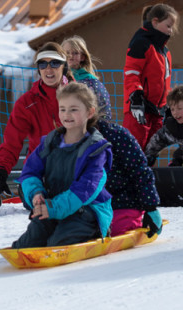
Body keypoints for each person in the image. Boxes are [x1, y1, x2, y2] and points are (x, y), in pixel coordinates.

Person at [11, 83, 113, 249]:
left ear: (90, 112)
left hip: (86, 211)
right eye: (62, 109)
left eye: (74, 109)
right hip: (53, 208)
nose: (67, 114)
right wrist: (36, 194)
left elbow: (86, 189)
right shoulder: (50, 143)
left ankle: (96, 232)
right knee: (26, 245)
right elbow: (30, 172)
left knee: (56, 245)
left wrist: (53, 207)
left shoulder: (96, 149)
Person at [0, 42, 70, 210]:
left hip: (73, 167)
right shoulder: (27, 103)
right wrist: (0, 174)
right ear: (38, 69)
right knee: (40, 196)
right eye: (43, 63)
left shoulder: (79, 96)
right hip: (40, 171)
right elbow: (11, 142)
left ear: (64, 66)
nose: (49, 69)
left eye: (54, 63)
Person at [123, 3, 179, 149]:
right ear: (155, 22)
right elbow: (131, 72)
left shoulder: (165, 52)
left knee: (151, 151)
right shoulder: (141, 43)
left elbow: (164, 81)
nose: (171, 31)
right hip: (140, 108)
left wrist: (168, 104)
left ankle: (148, 171)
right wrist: (135, 96)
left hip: (157, 111)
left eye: (172, 27)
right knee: (134, 150)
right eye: (168, 26)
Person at [96, 119, 162, 237]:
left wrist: (150, 206)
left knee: (115, 229)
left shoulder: (116, 135)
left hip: (122, 203)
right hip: (89, 207)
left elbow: (139, 170)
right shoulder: (65, 138)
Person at [62, 35, 112, 121]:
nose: (70, 56)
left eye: (75, 53)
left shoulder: (91, 82)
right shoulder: (57, 79)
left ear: (82, 57)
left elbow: (103, 109)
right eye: (67, 53)